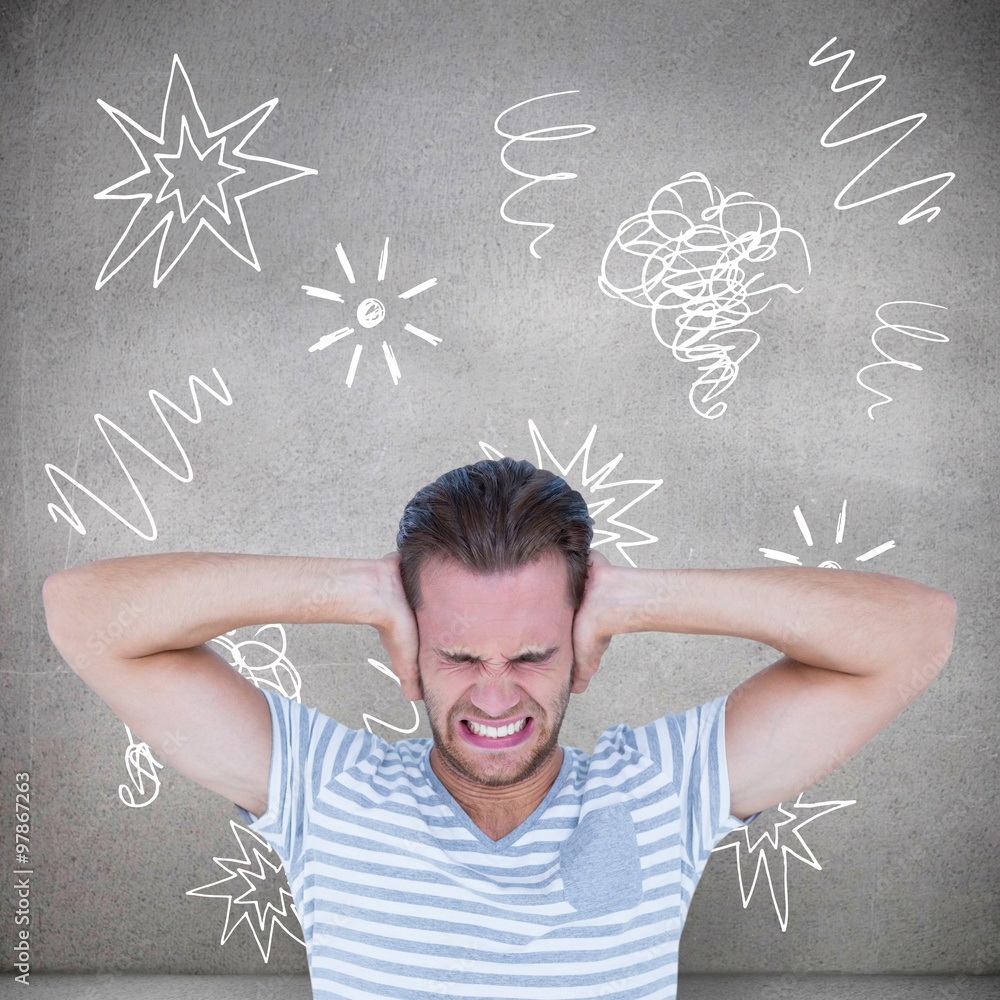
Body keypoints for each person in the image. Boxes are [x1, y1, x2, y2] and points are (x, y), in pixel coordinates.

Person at [43, 457, 956, 999]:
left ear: (582, 654)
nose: (492, 697)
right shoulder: (328, 790)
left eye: (530, 656)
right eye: (456, 656)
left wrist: (633, 596)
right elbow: (83, 615)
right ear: (407, 653)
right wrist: (359, 589)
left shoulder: (660, 790)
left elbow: (916, 635)